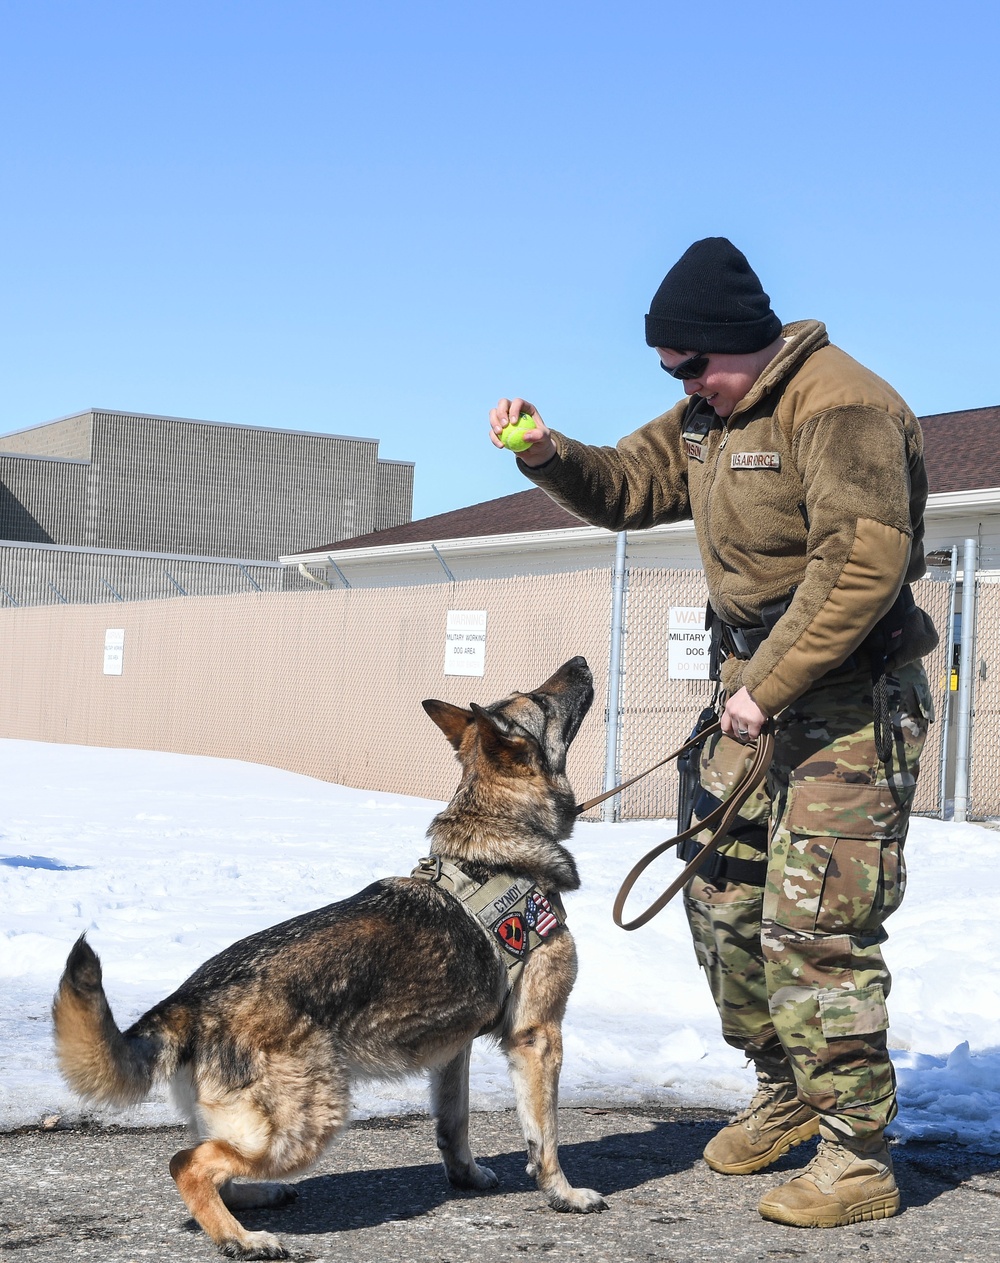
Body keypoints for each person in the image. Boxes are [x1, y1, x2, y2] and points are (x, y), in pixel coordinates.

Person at [488, 237, 938, 1229]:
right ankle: (783, 1086)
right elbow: (627, 487)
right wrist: (548, 456)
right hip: (753, 694)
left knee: (816, 927)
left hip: (845, 700)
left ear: (740, 342)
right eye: (670, 372)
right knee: (723, 905)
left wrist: (766, 686)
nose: (684, 385)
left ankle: (857, 1157)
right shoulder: (709, 415)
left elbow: (861, 566)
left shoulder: (840, 405)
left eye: (693, 365)